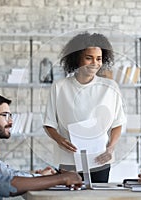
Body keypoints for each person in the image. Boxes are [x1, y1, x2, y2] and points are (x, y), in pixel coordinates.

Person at [43, 32, 126, 183]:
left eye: (99, 58)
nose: (95, 63)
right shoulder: (60, 87)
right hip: (68, 160)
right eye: (89, 58)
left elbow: (118, 123)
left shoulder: (110, 87)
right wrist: (60, 140)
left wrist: (110, 149)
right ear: (77, 58)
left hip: (100, 159)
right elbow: (49, 123)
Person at [0, 93, 55, 200]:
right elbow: (6, 176)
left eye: (10, 116)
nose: (11, 122)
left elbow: (5, 172)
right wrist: (41, 178)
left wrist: (34, 176)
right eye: (5, 115)